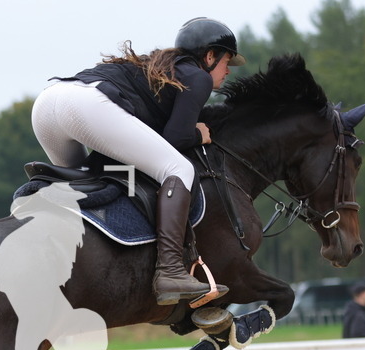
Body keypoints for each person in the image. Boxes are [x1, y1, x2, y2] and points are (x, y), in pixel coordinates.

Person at [30, 17, 246, 306]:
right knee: (180, 169)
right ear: (209, 56)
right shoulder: (199, 77)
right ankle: (170, 270)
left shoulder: (163, 69)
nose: (228, 70)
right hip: (86, 106)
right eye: (226, 61)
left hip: (48, 104)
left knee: (84, 190)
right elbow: (176, 137)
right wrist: (198, 133)